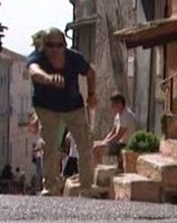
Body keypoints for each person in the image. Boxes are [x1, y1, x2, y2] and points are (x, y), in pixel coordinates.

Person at [26, 27, 96, 196]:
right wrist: (48, 78)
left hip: (73, 107)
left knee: (84, 144)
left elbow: (90, 72)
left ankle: (87, 185)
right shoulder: (38, 58)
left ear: (65, 45)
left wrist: (92, 94)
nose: (55, 50)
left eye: (59, 45)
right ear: (44, 46)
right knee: (50, 146)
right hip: (46, 108)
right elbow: (33, 71)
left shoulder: (74, 58)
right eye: (51, 45)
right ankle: (50, 185)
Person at [92, 93, 137, 167]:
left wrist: (106, 143)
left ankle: (101, 172)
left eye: (113, 105)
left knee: (96, 149)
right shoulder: (118, 115)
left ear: (119, 104)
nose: (112, 107)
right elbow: (113, 131)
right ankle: (98, 170)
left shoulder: (126, 115)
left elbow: (119, 135)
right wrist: (104, 141)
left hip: (124, 144)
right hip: (118, 142)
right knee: (94, 145)